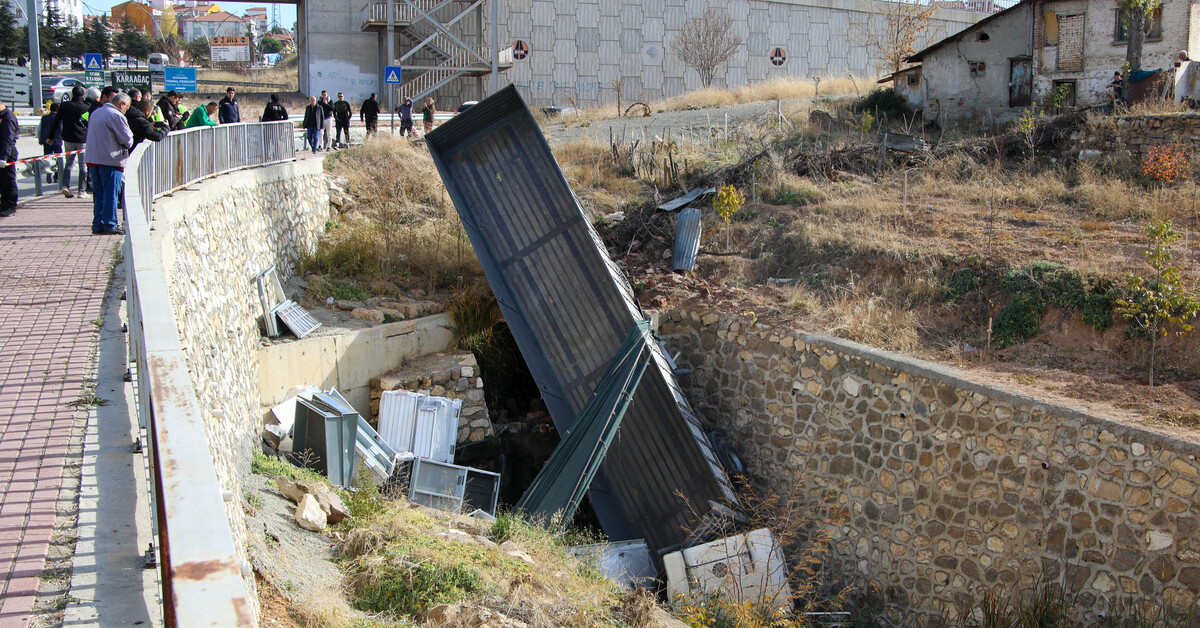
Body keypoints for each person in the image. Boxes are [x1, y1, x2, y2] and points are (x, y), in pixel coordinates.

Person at [85, 93, 133, 235]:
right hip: (110, 160)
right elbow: (127, 139)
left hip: (93, 159)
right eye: (127, 108)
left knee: (99, 194)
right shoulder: (116, 115)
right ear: (122, 104)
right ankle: (110, 224)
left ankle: (97, 224)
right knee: (111, 193)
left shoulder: (96, 113)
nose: (126, 111)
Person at [53, 84, 90, 198]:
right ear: (83, 95)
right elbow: (88, 124)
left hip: (68, 138)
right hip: (82, 139)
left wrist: (50, 137)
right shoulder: (86, 107)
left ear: (72, 94)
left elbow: (56, 121)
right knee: (83, 165)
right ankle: (81, 191)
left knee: (69, 163)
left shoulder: (65, 106)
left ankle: (65, 186)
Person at [0, 102, 18, 217]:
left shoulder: (8, 117)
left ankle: (11, 206)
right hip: (2, 153)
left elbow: (8, 139)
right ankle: (4, 204)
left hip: (7, 155)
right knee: (2, 182)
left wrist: (3, 157)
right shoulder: (2, 116)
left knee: (8, 181)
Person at [39, 102, 63, 185]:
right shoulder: (59, 118)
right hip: (57, 141)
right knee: (58, 160)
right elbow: (61, 129)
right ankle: (57, 176)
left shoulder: (44, 118)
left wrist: (41, 139)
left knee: (47, 158)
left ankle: (48, 174)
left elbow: (40, 129)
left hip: (46, 141)